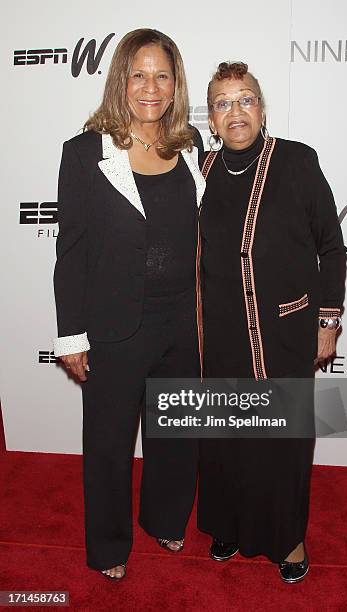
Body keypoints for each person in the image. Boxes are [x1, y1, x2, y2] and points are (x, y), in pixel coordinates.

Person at [53, 28, 205, 580]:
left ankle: (165, 517)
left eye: (162, 74)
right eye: (139, 73)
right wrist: (72, 335)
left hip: (182, 322)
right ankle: (109, 548)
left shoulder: (190, 146)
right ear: (121, 78)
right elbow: (70, 253)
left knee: (177, 435)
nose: (150, 86)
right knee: (109, 446)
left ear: (175, 83)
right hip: (115, 327)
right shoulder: (85, 153)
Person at [197, 61, 347, 583]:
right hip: (219, 335)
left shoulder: (297, 162)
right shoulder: (204, 171)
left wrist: (327, 320)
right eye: (222, 103)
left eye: (245, 100)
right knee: (226, 438)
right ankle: (228, 525)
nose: (235, 112)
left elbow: (332, 246)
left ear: (260, 107)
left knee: (281, 442)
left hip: (283, 333)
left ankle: (287, 538)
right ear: (211, 119)